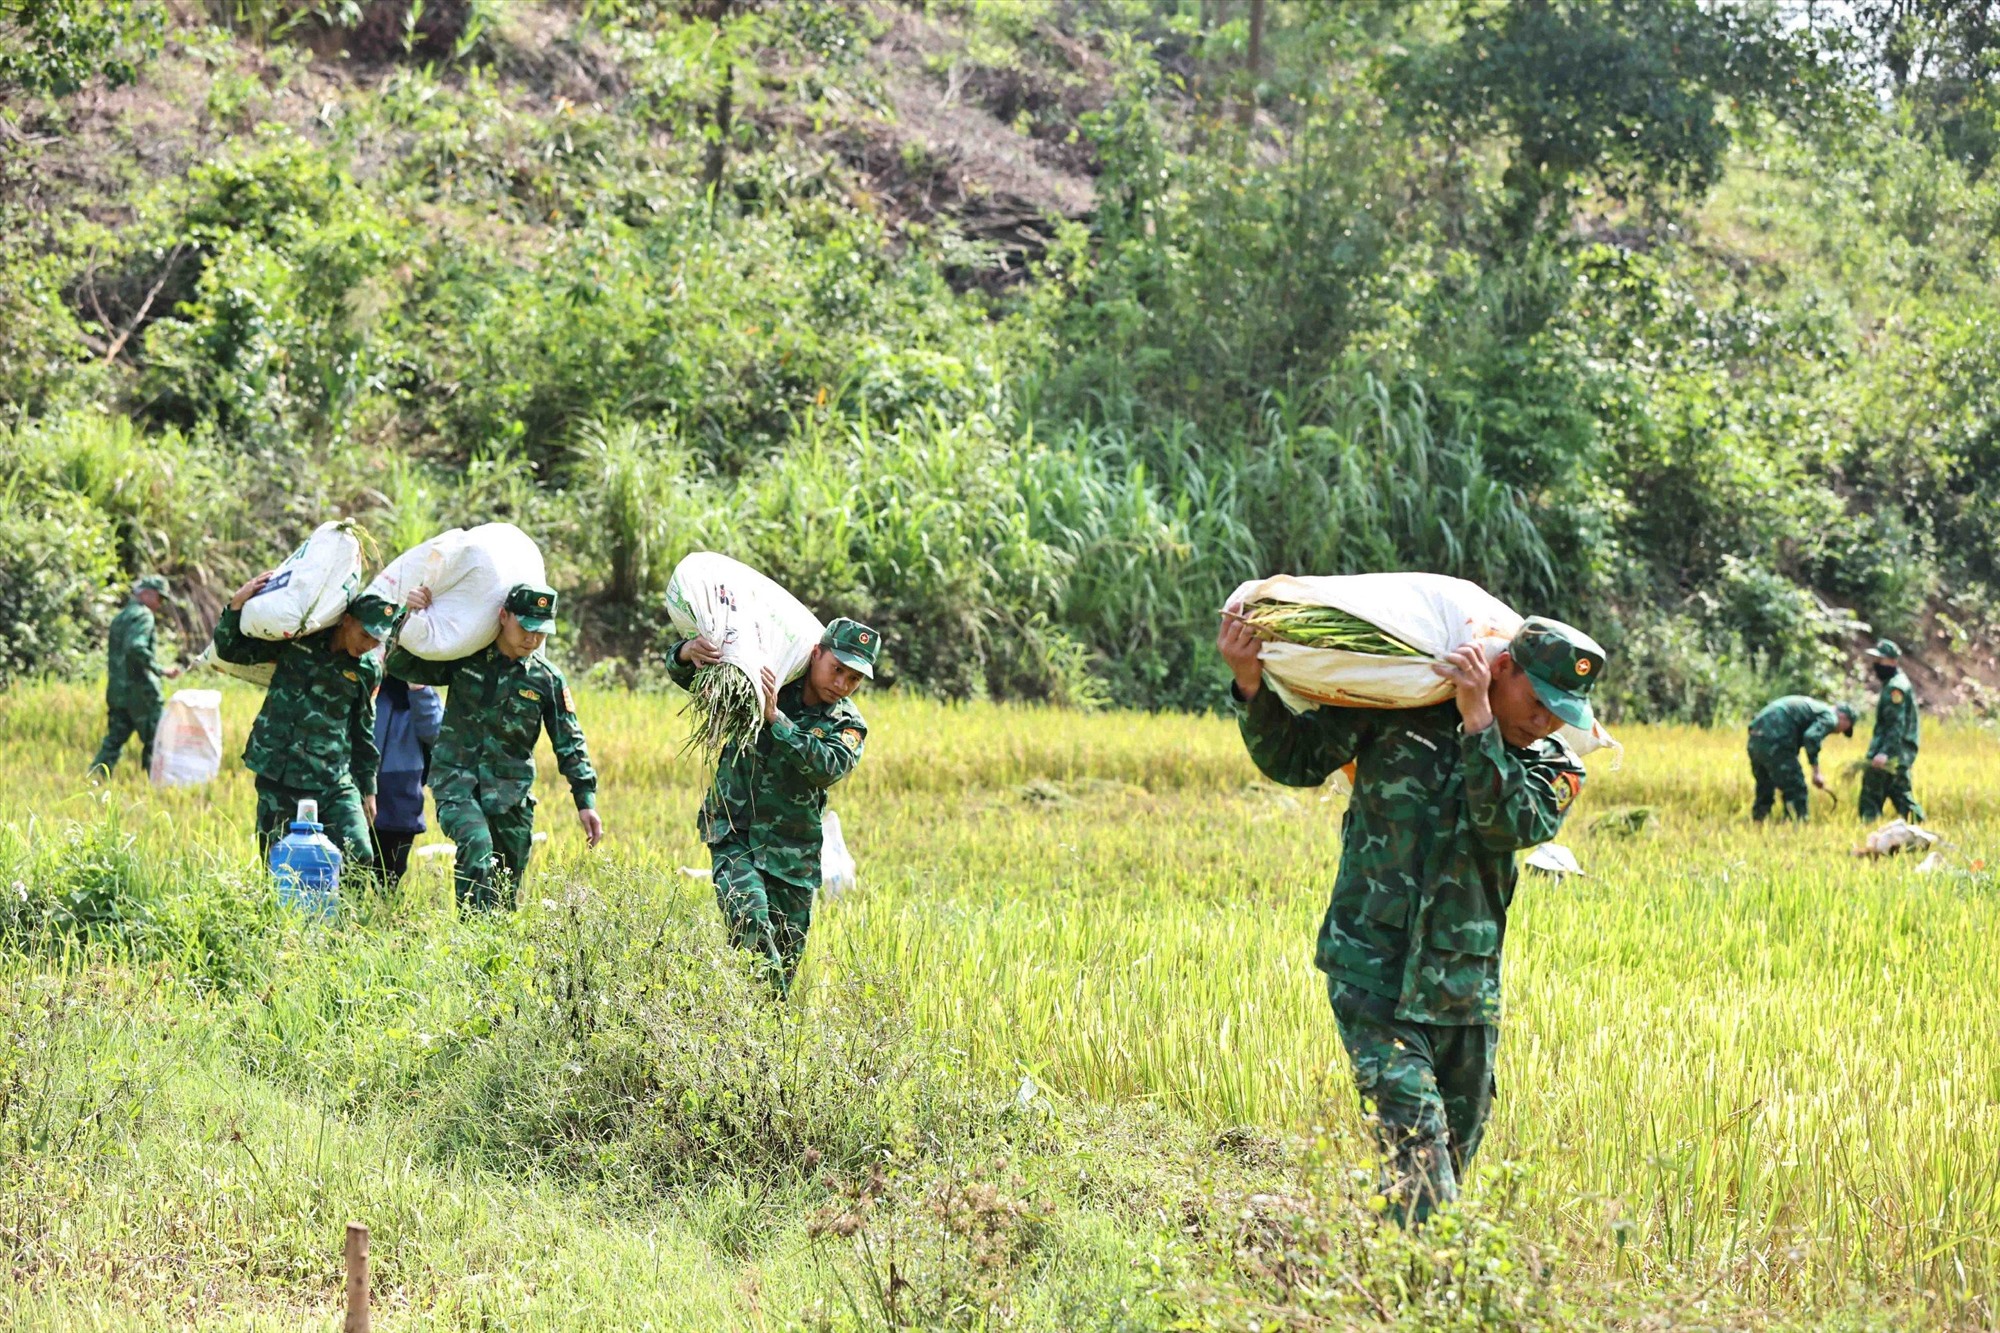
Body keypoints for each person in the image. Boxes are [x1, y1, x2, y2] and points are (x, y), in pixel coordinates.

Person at [1219, 611, 1601, 1227]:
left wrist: (1481, 719)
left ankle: (1384, 1285)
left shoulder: (1553, 767)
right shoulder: (1397, 710)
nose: (1545, 722)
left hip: (1464, 995)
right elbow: (1294, 760)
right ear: (1501, 667)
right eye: (1537, 702)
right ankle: (1428, 1295)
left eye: (1561, 713)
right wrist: (1249, 684)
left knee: (1439, 1167)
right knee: (1421, 1160)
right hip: (1372, 970)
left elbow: (1508, 825)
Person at [665, 618, 879, 995]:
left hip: (792, 854)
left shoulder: (848, 723)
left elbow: (826, 767)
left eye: (854, 678)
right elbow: (700, 682)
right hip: (737, 832)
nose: (842, 684)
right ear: (816, 654)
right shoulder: (766, 680)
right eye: (837, 669)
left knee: (778, 972)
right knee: (749, 922)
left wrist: (776, 720)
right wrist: (685, 653)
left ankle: (757, 1038)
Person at [386, 583, 603, 912]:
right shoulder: (464, 656)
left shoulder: (546, 680)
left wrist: (585, 800)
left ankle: (492, 952)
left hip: (510, 794)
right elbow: (403, 664)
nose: (532, 640)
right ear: (503, 616)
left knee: (505, 887)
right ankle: (472, 940)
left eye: (541, 633)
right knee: (477, 846)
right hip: (456, 781)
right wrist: (408, 616)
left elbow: (570, 741)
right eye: (525, 628)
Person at [213, 573, 402, 875]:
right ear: (347, 620)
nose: (369, 645)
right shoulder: (298, 639)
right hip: (280, 770)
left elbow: (364, 729)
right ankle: (286, 918)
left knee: (360, 855)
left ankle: (341, 916)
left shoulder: (367, 670)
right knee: (277, 865)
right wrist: (236, 604)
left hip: (332, 778)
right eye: (365, 634)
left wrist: (368, 788)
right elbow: (232, 650)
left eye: (376, 640)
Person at [89, 574, 181, 777]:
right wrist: (160, 669)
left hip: (118, 692)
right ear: (147, 594)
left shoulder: (120, 617)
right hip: (141, 694)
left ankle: (94, 779)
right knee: (156, 740)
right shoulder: (144, 616)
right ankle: (154, 783)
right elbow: (135, 647)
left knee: (113, 741)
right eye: (160, 598)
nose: (160, 604)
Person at [371, 677, 443, 889]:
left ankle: (386, 919)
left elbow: (435, 733)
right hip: (358, 794)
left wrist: (419, 688)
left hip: (400, 799)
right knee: (349, 874)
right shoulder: (370, 687)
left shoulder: (423, 696)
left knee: (389, 881)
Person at [1746, 696, 1855, 822]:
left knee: (1765, 785)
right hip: (1777, 739)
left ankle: (1759, 821)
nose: (1838, 732)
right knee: (1796, 789)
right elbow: (1811, 737)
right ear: (1844, 718)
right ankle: (1796, 825)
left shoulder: (1813, 707)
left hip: (1755, 738)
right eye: (1845, 729)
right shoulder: (1830, 716)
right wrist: (1816, 772)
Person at [1859, 638, 1923, 823]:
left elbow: (1896, 725)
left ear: (1893, 661)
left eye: (1880, 660)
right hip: (1898, 754)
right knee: (1901, 796)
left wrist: (1884, 753)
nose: (1876, 664)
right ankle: (1921, 831)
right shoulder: (1894, 684)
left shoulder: (1896, 688)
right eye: (1876, 660)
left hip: (1892, 754)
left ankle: (1869, 833)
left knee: (1871, 797)